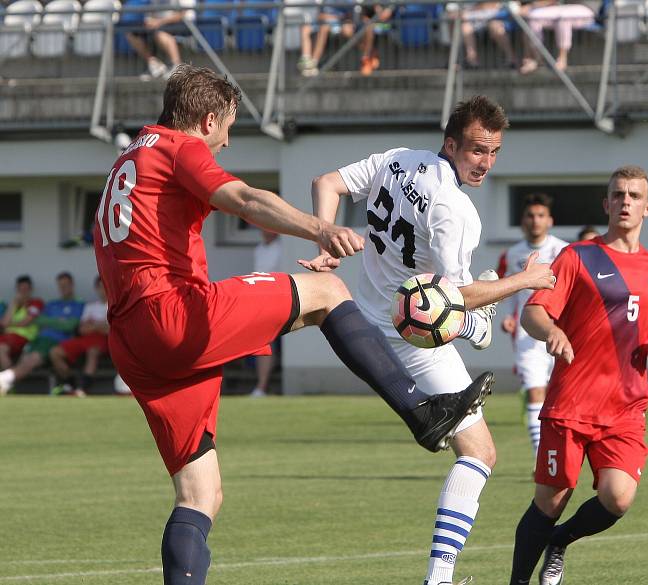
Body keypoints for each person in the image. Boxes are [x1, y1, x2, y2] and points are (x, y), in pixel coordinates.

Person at [71, 65, 491, 585]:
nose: (225, 142)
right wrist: (321, 228)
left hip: (131, 341)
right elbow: (244, 200)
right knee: (326, 292)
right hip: (173, 315)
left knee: (201, 495)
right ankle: (422, 411)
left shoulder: (127, 158)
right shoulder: (181, 148)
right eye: (226, 129)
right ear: (206, 121)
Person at [305, 95, 556, 585]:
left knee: (462, 316)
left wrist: (326, 242)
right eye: (477, 150)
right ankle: (439, 577)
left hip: (362, 323)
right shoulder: (455, 209)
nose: (485, 162)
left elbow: (325, 183)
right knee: (480, 453)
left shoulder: (396, 159)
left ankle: (473, 327)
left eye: (494, 152)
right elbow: (457, 292)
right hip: (413, 341)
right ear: (450, 143)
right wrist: (525, 283)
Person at [507, 165, 648, 585]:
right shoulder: (579, 256)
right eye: (618, 195)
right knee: (552, 497)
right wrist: (554, 330)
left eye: (634, 196)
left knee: (617, 498)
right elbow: (534, 312)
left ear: (647, 207)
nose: (626, 202)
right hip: (572, 403)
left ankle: (560, 542)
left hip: (626, 407)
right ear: (606, 204)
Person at [497, 194, 567, 469]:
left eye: (540, 215)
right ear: (523, 221)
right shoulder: (512, 255)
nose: (535, 220)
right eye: (530, 215)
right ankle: (542, 462)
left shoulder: (565, 251)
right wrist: (507, 319)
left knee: (560, 395)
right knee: (536, 392)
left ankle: (561, 454)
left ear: (549, 221)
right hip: (527, 336)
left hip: (561, 330)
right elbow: (502, 293)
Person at [0, 272, 84, 394]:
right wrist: (58, 321)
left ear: (72, 285)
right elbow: (39, 320)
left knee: (31, 360)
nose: (63, 288)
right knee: (25, 360)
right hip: (39, 339)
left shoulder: (78, 303)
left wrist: (51, 322)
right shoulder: (52, 304)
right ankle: (7, 383)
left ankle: (4, 379)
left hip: (56, 341)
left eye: (66, 285)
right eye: (61, 285)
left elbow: (69, 326)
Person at [49, 276, 110, 397]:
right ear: (96, 289)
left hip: (105, 340)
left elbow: (111, 330)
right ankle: (70, 382)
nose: (103, 290)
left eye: (105, 287)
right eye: (100, 287)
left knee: (92, 352)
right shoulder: (90, 306)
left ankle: (82, 387)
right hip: (86, 338)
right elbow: (82, 329)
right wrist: (100, 325)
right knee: (55, 352)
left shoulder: (115, 306)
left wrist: (94, 325)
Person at [519, 0, 599, 74]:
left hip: (588, 9)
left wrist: (531, 6)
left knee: (564, 18)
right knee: (533, 17)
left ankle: (562, 59)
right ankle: (536, 58)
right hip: (566, 7)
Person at [250, 229, 283, 397]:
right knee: (261, 345)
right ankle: (261, 386)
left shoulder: (281, 249)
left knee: (266, 344)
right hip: (259, 302)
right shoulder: (259, 249)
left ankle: (262, 386)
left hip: (274, 302)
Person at [125, 0, 193, 80]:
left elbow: (181, 14)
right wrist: (150, 22)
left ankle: (178, 67)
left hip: (183, 24)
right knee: (132, 34)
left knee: (159, 34)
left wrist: (159, 22)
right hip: (160, 24)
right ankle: (153, 63)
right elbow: (151, 14)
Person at [0, 275, 44, 371]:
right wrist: (13, 304)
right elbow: (3, 324)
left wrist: (9, 323)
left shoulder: (36, 302)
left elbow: (25, 322)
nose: (23, 292)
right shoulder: (14, 305)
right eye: (21, 289)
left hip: (25, 337)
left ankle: (9, 381)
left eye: (26, 289)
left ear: (31, 289)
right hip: (8, 337)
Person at [460, 2, 517, 70]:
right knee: (465, 27)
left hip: (496, 17)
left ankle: (511, 59)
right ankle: (472, 60)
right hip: (477, 18)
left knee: (495, 26)